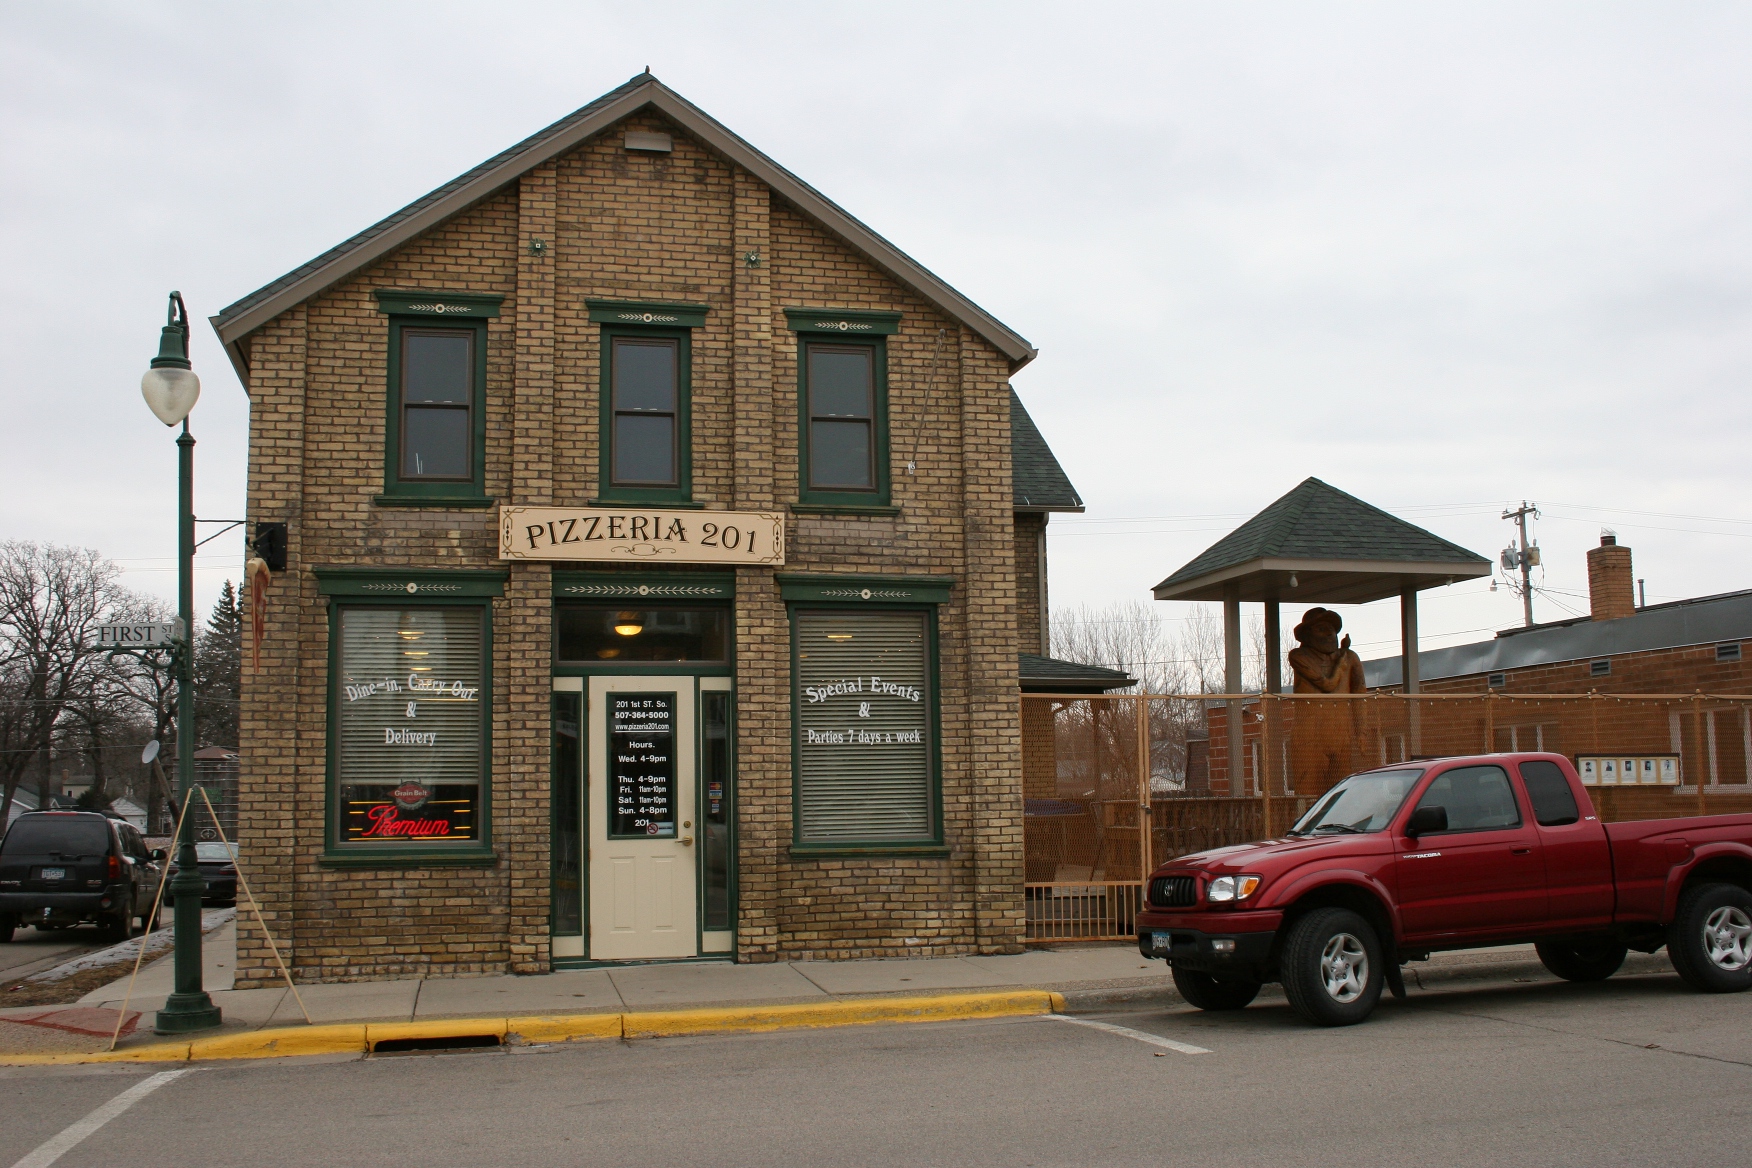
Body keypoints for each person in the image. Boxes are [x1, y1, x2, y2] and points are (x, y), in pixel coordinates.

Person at [1287, 607, 1367, 794]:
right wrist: (1340, 665)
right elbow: (1328, 685)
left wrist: (1361, 731)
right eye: (1321, 628)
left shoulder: (1350, 657)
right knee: (1308, 790)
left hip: (1341, 736)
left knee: (1341, 791)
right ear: (1307, 634)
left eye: (1332, 629)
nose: (1330, 634)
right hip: (1309, 737)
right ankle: (1306, 822)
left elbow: (1359, 694)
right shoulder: (1299, 656)